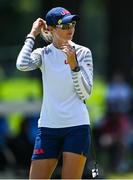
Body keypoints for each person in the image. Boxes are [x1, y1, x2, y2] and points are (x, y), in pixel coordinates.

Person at [16, 6, 93, 179]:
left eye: (72, 24)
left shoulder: (82, 52)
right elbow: (21, 65)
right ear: (50, 29)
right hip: (48, 128)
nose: (70, 29)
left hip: (77, 127)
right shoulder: (43, 54)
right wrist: (31, 35)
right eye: (64, 26)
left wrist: (74, 66)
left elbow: (85, 94)